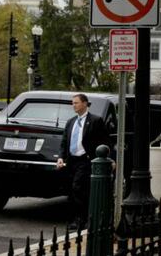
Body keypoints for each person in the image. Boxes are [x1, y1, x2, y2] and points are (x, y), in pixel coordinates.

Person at [56, 93, 109, 230]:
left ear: (85, 103)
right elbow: (64, 142)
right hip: (71, 161)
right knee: (72, 190)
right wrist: (61, 157)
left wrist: (105, 159)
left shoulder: (96, 121)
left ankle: (82, 219)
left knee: (78, 187)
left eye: (76, 103)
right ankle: (75, 218)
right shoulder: (71, 122)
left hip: (85, 160)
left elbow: (104, 141)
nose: (73, 105)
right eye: (73, 103)